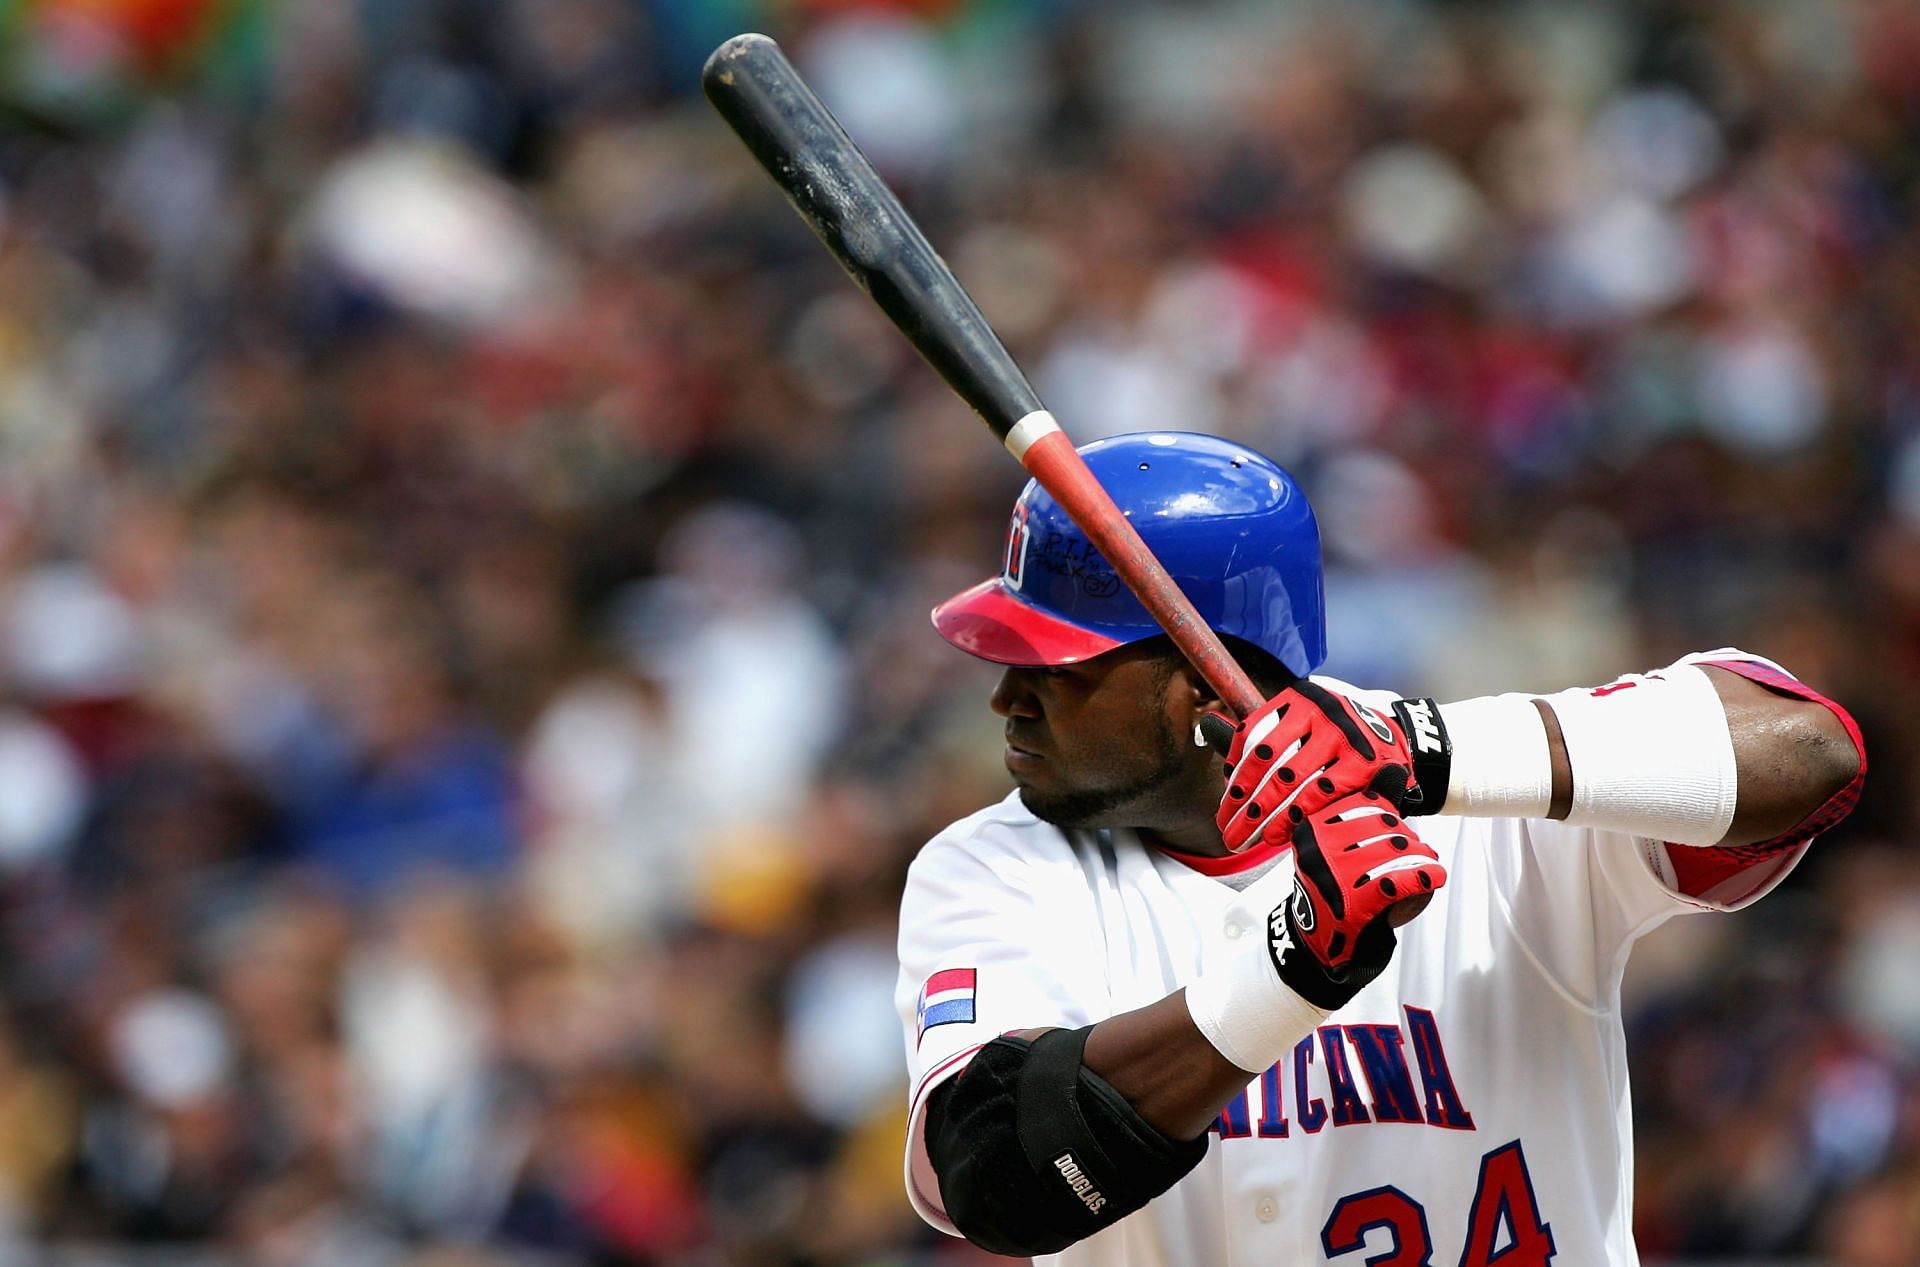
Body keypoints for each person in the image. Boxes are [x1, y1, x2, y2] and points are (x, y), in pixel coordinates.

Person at [894, 432, 1863, 1266]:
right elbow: (1001, 1178)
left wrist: (1435, 750)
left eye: (1056, 667)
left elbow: (1814, 754)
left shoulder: (1494, 799)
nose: (1007, 698)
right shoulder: (992, 864)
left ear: (1198, 677)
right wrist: (1292, 969)